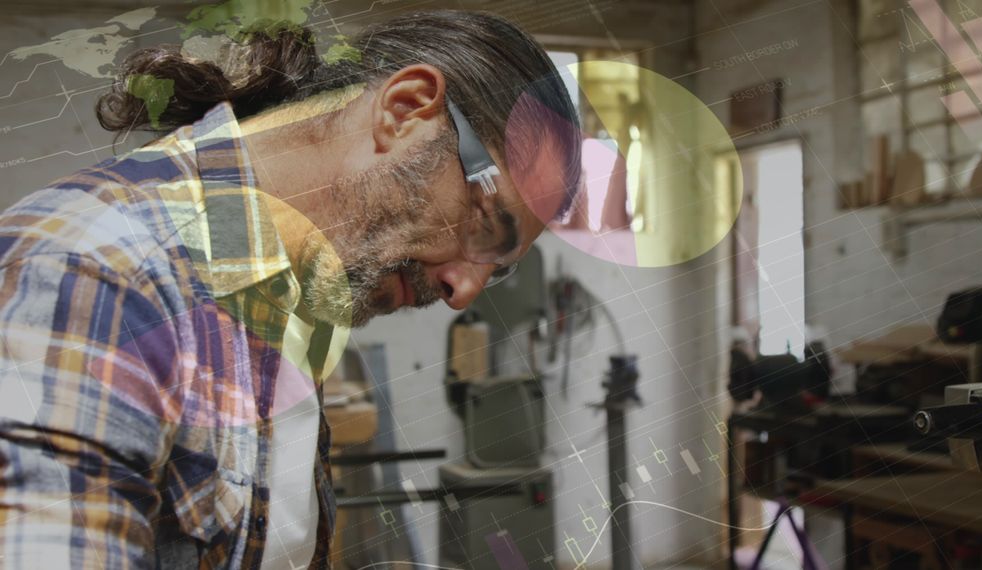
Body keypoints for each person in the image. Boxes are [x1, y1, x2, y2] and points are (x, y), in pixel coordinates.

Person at [0, 9, 581, 569]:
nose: (465, 291)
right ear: (405, 111)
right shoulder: (98, 270)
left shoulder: (283, 298)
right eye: (485, 223)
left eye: (498, 266)